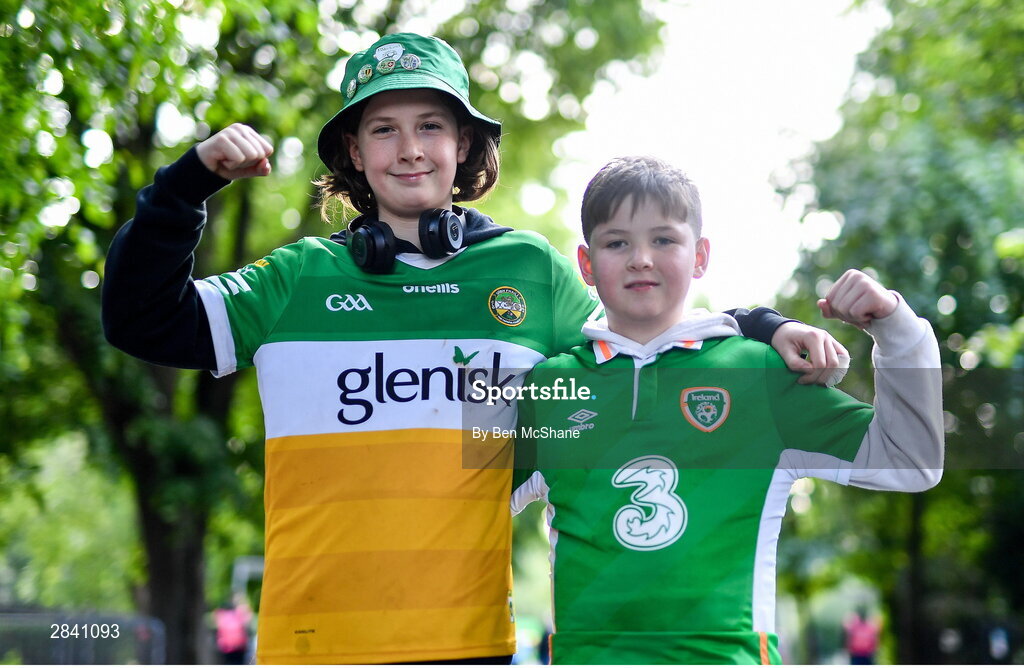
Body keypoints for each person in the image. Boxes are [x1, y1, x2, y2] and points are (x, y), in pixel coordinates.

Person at [102, 34, 847, 664]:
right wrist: (185, 186)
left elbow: (641, 339)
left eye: (430, 125)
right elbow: (138, 318)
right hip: (312, 642)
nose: (410, 149)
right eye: (384, 129)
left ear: (463, 146)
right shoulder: (295, 279)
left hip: (470, 643)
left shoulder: (532, 273)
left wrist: (757, 323)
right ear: (355, 153)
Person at [510, 156, 944, 664]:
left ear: (701, 256)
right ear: (586, 263)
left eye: (664, 239)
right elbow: (459, 499)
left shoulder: (757, 373)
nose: (641, 259)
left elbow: (910, 460)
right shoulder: (550, 385)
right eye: (617, 242)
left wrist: (896, 329)